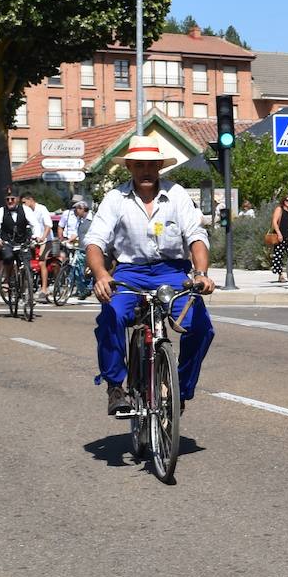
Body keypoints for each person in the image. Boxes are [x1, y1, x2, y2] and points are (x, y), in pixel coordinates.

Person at [84, 136, 215, 416]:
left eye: (151, 165)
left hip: (173, 271)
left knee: (202, 327)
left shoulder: (177, 194)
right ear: (129, 167)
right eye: (139, 165)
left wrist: (201, 274)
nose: (146, 170)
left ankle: (181, 389)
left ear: (159, 167)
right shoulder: (115, 198)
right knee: (111, 315)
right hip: (131, 273)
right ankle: (115, 386)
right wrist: (102, 275)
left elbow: (196, 236)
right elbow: (95, 241)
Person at [0, 187, 38, 293]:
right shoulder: (1, 211)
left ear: (18, 199)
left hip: (23, 242)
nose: (10, 201)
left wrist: (36, 236)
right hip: (7, 242)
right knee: (8, 257)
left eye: (12, 199)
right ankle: (7, 279)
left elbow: (35, 224)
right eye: (8, 199)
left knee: (27, 265)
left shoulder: (26, 210)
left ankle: (27, 291)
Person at [20, 191, 54, 302]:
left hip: (46, 240)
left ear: (30, 200)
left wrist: (43, 237)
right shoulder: (25, 211)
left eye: (25, 202)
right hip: (32, 240)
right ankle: (25, 287)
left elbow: (48, 225)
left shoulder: (41, 209)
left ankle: (44, 289)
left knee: (41, 261)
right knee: (24, 260)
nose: (23, 205)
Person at [269, 192, 288, 283]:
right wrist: (279, 233)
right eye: (287, 200)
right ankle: (280, 275)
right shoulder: (279, 209)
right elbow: (274, 222)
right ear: (283, 200)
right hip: (280, 236)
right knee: (278, 255)